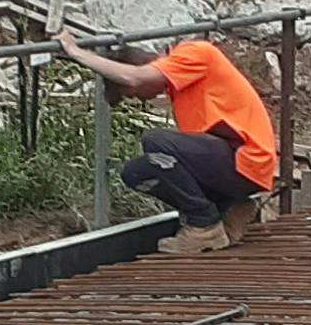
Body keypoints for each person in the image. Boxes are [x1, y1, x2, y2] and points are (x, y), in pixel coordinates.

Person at [60, 26, 280, 252]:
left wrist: (75, 52)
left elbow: (133, 77)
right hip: (232, 163)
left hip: (247, 159)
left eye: (133, 94)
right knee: (136, 172)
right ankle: (228, 208)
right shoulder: (182, 88)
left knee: (156, 142)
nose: (141, 99)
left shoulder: (195, 53)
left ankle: (204, 226)